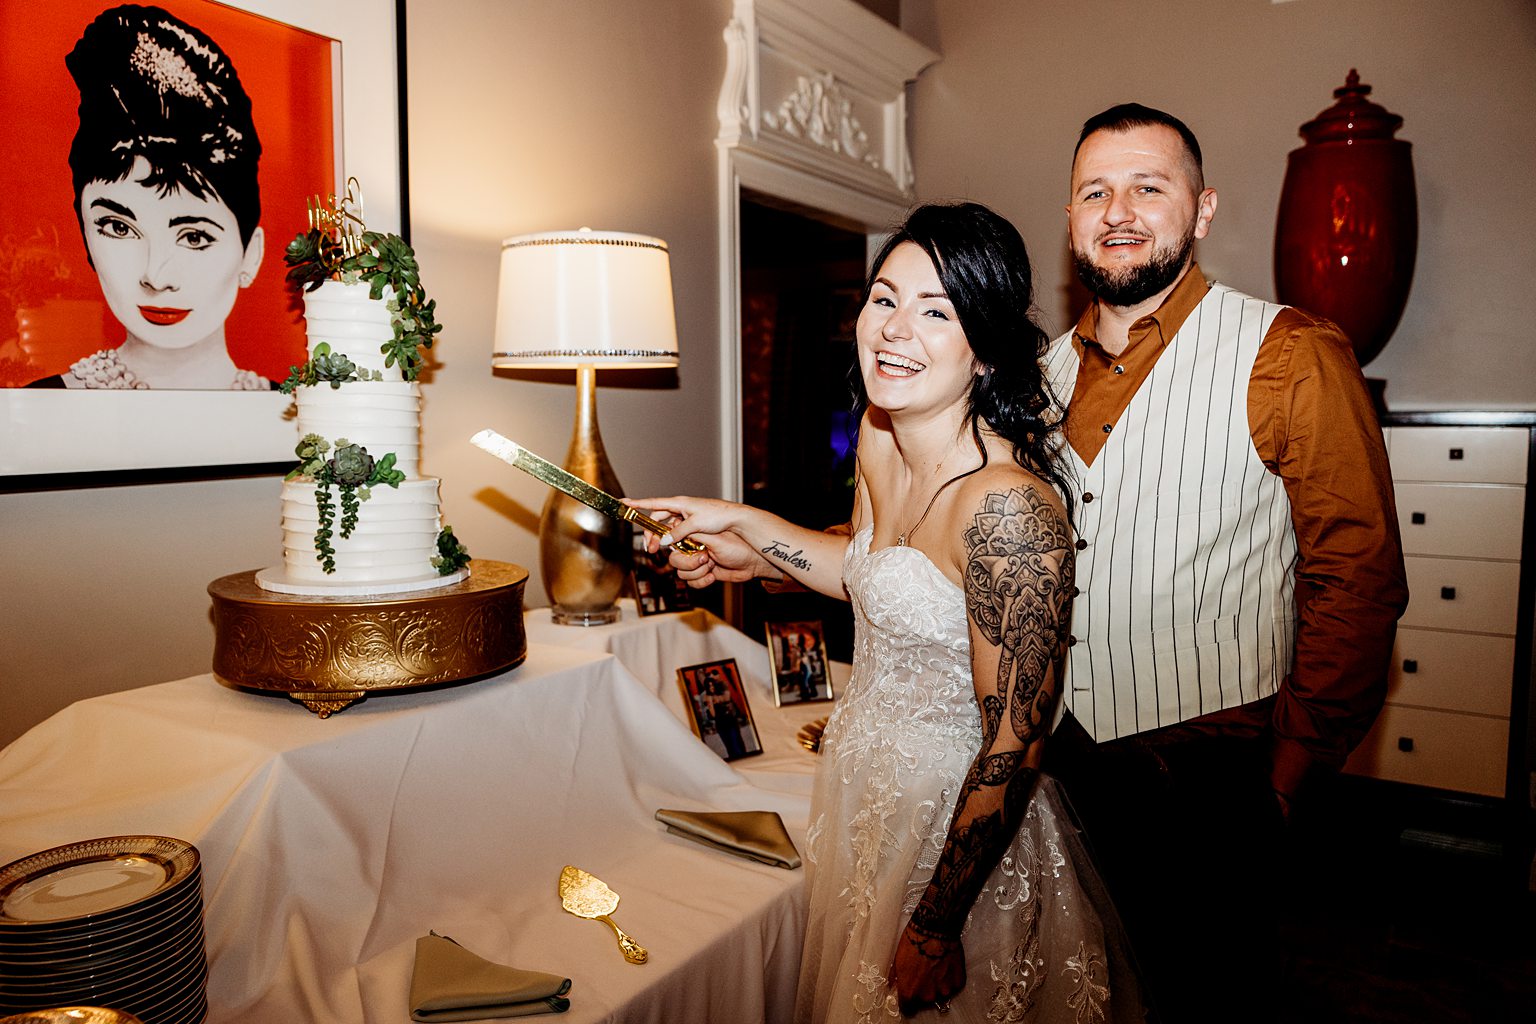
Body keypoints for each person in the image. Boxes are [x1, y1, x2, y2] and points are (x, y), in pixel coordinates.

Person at [632, 202, 1144, 1022]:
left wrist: (939, 924)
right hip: (864, 788)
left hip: (955, 829)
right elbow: (872, 571)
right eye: (884, 298)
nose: (895, 329)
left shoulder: (1008, 512)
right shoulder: (878, 434)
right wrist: (750, 544)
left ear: (984, 352)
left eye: (936, 311)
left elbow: (1016, 741)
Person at [1038, 103, 1409, 1022]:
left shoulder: (1292, 353)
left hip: (1205, 780)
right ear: (1072, 216)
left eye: (1148, 187)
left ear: (1201, 210)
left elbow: (1356, 581)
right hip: (1050, 766)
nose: (1119, 210)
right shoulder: (1036, 377)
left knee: (1206, 998)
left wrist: (1288, 774)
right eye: (1096, 191)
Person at [32, 4, 267, 390]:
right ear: (86, 236)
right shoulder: (36, 411)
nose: (156, 277)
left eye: (194, 236)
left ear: (250, 254)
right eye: (118, 227)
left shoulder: (296, 416)